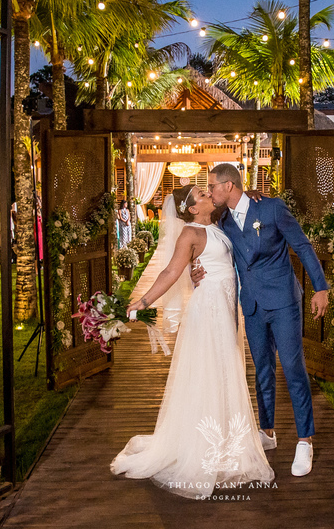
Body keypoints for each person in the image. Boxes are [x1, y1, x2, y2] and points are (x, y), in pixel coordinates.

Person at [111, 184, 274, 498]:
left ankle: (229, 435)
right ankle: (205, 443)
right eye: (202, 194)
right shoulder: (190, 234)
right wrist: (141, 303)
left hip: (227, 307)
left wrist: (252, 193)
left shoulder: (217, 223)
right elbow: (171, 271)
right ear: (191, 208)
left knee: (228, 369)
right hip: (208, 309)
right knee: (210, 370)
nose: (208, 195)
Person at [195, 163, 330, 478]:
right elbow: (208, 247)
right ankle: (267, 432)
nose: (210, 190)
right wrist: (196, 270)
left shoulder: (271, 208)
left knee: (294, 371)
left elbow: (303, 246)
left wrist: (321, 288)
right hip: (252, 305)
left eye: (212, 185)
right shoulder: (224, 220)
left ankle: (305, 441)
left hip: (283, 301)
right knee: (262, 371)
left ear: (228, 186)